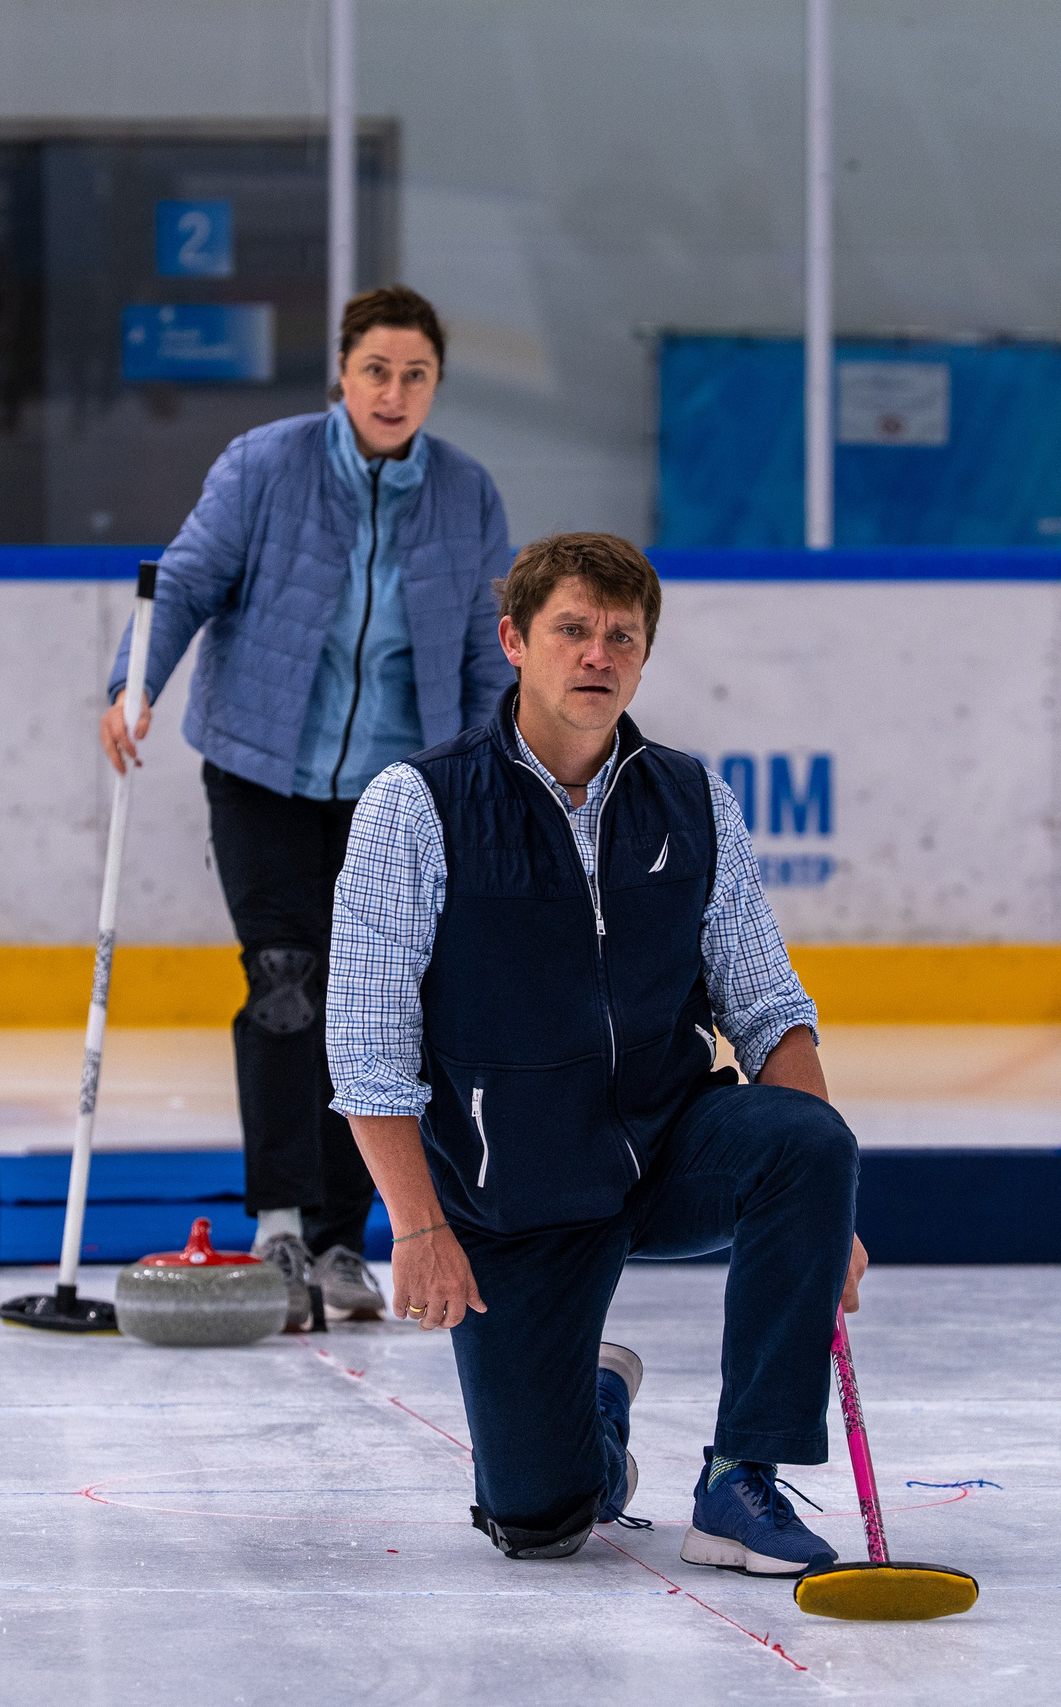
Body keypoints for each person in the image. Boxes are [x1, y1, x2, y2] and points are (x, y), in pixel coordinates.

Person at [325, 531, 871, 1572]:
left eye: (621, 636)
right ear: (513, 643)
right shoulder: (418, 805)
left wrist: (827, 1218)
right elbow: (365, 1043)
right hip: (512, 1195)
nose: (597, 655)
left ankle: (740, 1480)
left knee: (807, 1142)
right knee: (539, 1523)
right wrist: (418, 1226)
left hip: (667, 1148)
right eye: (571, 630)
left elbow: (766, 1006)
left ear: (644, 655)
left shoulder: (691, 799)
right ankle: (596, 1404)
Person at [103, 286, 516, 1328]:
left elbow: (482, 650)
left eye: (414, 374)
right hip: (259, 773)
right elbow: (188, 580)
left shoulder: (466, 496)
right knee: (283, 985)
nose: (393, 391)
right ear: (342, 373)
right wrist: (134, 681)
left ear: (434, 385)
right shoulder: (265, 465)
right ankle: (279, 1220)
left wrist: (488, 774)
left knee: (369, 1008)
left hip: (397, 789)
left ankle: (342, 1238)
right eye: (375, 369)